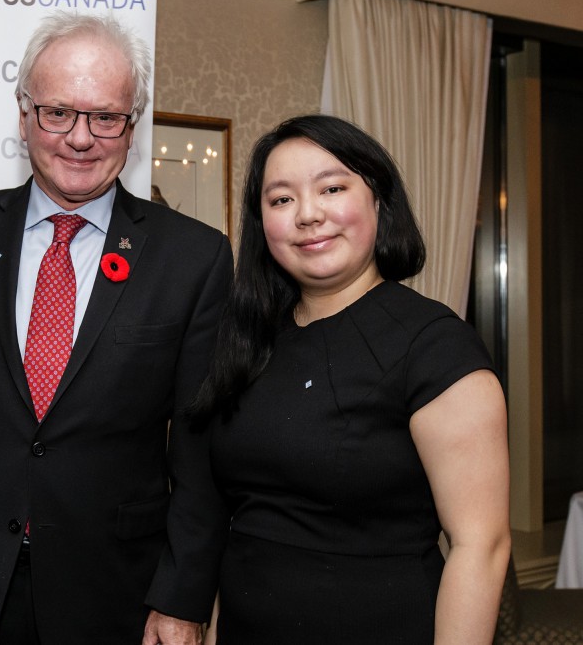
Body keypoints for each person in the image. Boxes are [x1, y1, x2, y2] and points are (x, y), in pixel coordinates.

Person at [0, 12, 232, 645]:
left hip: (118, 595)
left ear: (131, 127)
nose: (81, 138)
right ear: (23, 115)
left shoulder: (194, 259)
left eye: (106, 117)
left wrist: (183, 598)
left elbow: (200, 451)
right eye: (58, 113)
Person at [172, 114, 511, 643]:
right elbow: (244, 520)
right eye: (281, 199)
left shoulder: (435, 346)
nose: (308, 215)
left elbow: (482, 546)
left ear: (377, 199)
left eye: (331, 188)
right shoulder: (249, 342)